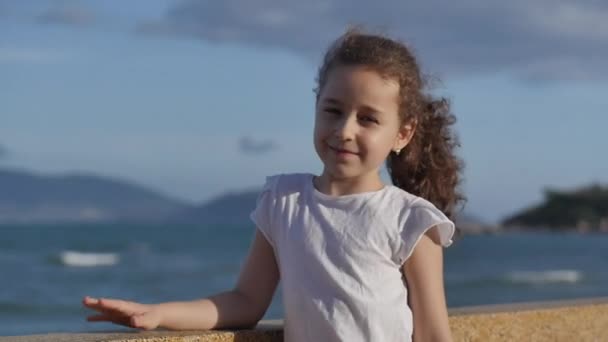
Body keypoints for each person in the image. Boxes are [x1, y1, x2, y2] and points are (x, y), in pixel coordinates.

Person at [83, 28, 464, 342]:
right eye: (333, 110)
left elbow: (432, 334)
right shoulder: (285, 201)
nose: (345, 130)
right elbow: (246, 301)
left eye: (368, 119)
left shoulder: (411, 221)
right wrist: (158, 313)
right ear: (316, 106)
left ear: (402, 133)